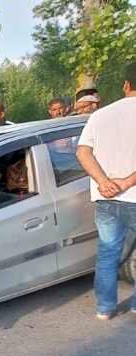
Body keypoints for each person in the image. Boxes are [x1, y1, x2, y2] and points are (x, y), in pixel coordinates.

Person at [76, 61, 136, 321]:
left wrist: (103, 181)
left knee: (108, 253)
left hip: (106, 199)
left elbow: (82, 151)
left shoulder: (100, 115)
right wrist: (126, 182)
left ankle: (105, 309)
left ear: (126, 84)